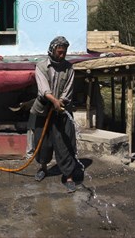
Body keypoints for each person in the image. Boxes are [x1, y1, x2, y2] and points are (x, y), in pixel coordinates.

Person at [30, 36, 78, 193]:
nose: (62, 55)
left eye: (64, 52)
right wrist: (53, 101)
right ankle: (43, 168)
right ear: (52, 50)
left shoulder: (69, 68)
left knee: (65, 143)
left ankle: (69, 176)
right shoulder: (41, 66)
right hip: (43, 110)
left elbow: (68, 90)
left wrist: (60, 102)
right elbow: (43, 89)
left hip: (62, 111)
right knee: (42, 142)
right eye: (59, 52)